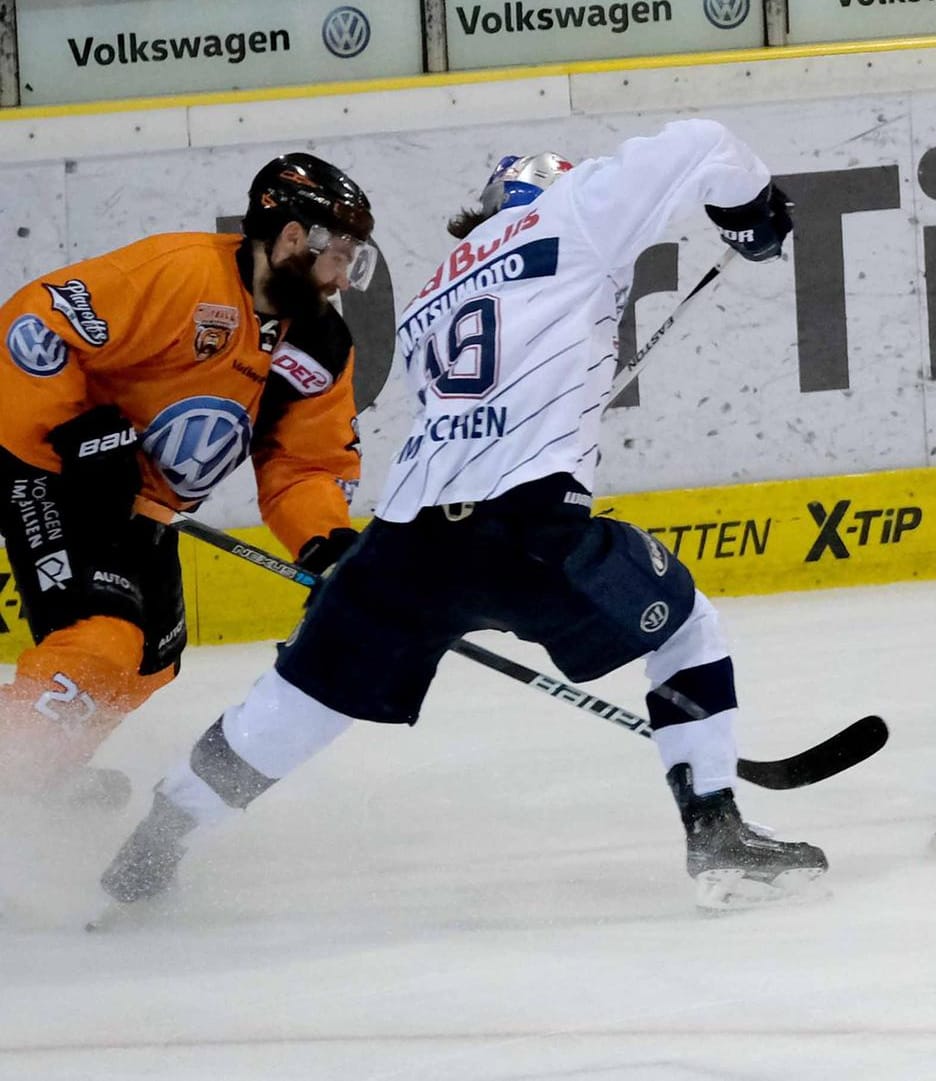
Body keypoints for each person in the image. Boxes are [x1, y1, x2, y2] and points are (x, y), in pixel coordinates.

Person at [98, 121, 824, 913]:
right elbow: (701, 141)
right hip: (527, 530)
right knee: (687, 630)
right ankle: (717, 834)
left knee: (292, 709)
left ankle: (147, 852)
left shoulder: (440, 286)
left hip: (403, 545)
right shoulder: (570, 212)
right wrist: (749, 211)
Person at [0, 153, 374, 808]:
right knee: (103, 639)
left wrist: (324, 544)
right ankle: (10, 778)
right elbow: (35, 325)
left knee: (152, 661)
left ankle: (40, 771)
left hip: (140, 503)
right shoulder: (179, 273)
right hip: (50, 465)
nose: (343, 278)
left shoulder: (319, 344)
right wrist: (79, 434)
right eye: (337, 256)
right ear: (290, 239)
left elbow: (303, 464)